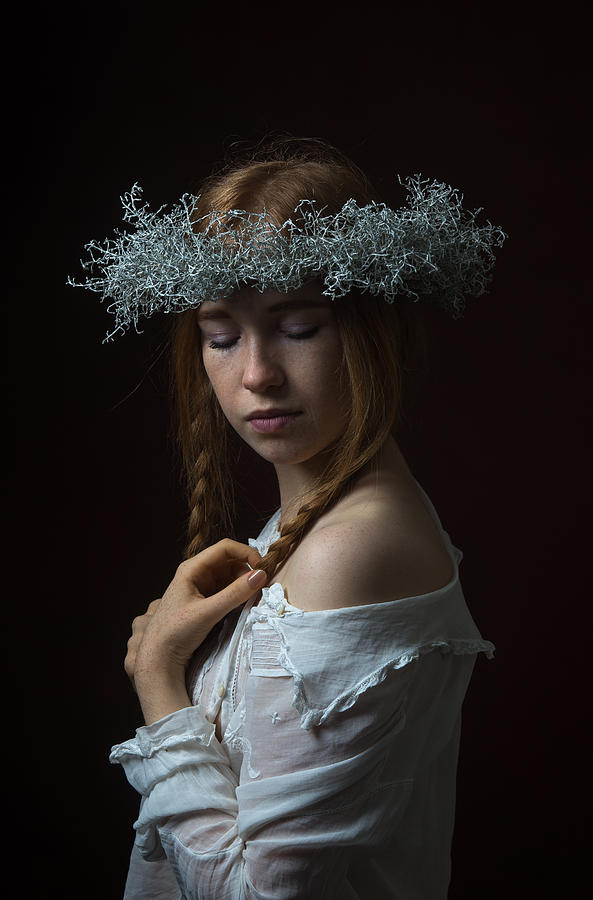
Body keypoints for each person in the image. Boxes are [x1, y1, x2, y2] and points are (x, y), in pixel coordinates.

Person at [72, 137, 505, 898]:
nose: (256, 374)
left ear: (377, 332)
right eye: (221, 336)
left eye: (300, 327)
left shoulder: (351, 549)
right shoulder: (315, 524)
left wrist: (158, 681)